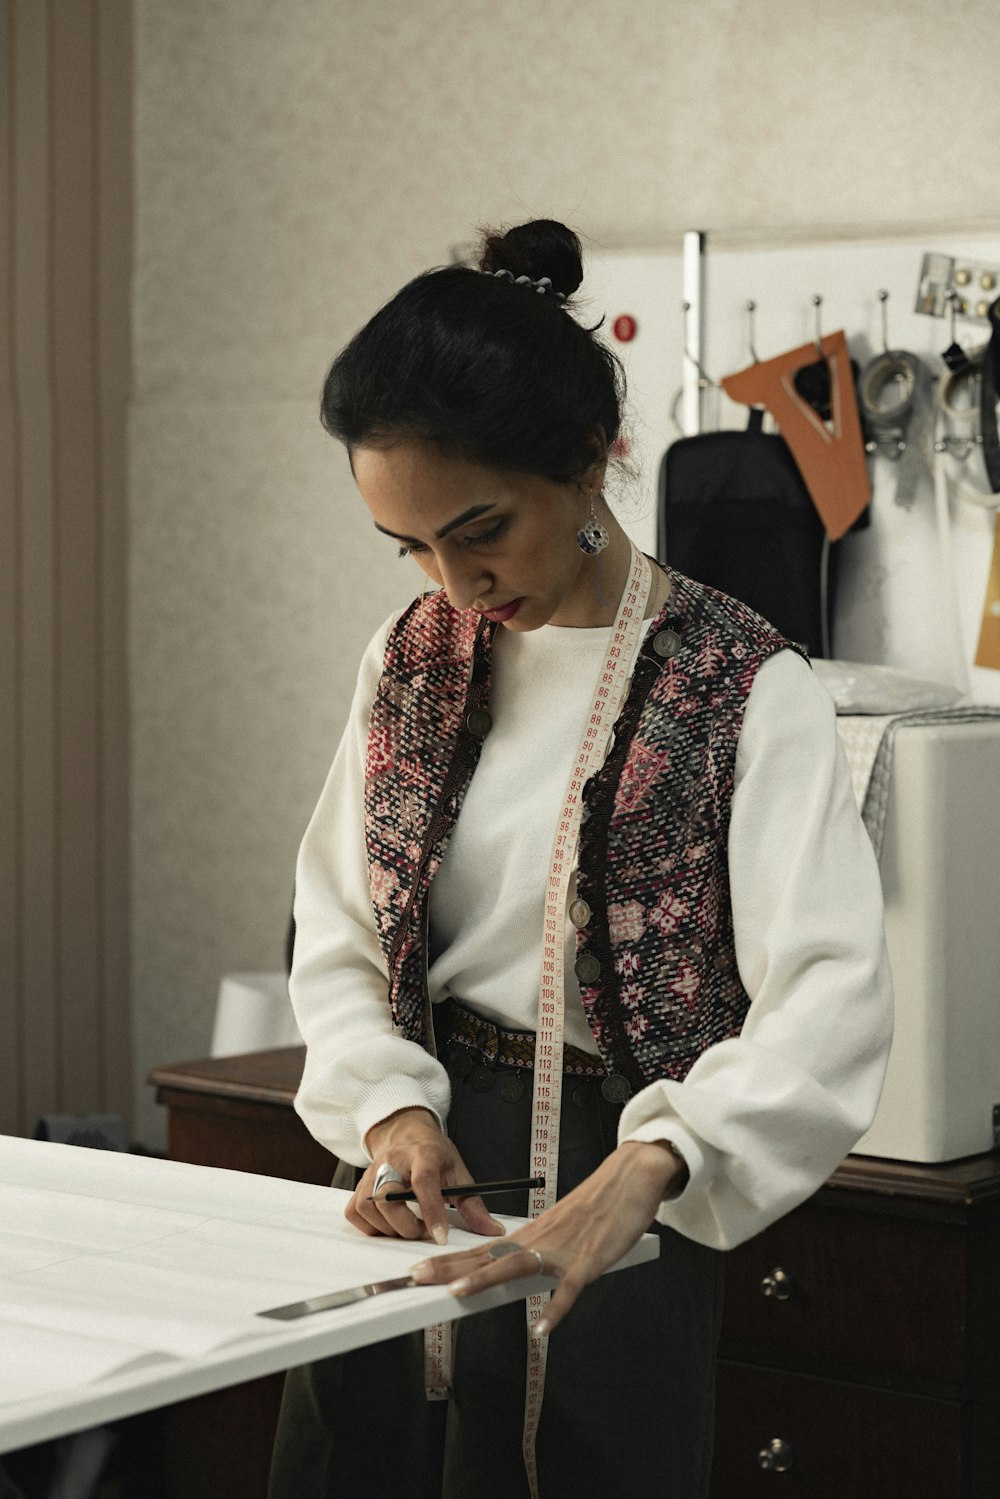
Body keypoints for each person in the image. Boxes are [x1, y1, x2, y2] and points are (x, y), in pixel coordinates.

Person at [268, 219, 893, 1499]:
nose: (452, 578)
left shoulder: (741, 686)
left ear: (586, 460)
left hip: (626, 1171)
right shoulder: (412, 657)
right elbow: (335, 925)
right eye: (411, 547)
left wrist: (658, 1166)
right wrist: (387, 1108)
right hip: (413, 1158)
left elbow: (826, 999)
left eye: (479, 528)